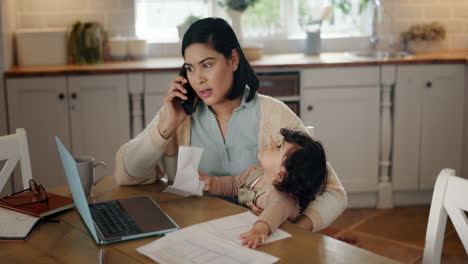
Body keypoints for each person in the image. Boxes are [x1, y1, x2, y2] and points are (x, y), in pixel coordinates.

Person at [113, 17, 347, 232]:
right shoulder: (179, 113)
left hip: (254, 242)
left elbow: (333, 192)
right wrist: (165, 127)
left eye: (207, 65)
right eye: (190, 68)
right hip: (194, 236)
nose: (198, 79)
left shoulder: (272, 114)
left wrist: (297, 231)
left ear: (233, 60)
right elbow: (127, 175)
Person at [199, 128, 328, 248]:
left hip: (277, 243)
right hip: (246, 230)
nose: (271, 143)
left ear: (280, 174)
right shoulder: (255, 172)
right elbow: (233, 184)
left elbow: (273, 214)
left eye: (278, 147)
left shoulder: (282, 198)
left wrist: (259, 229)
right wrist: (212, 183)